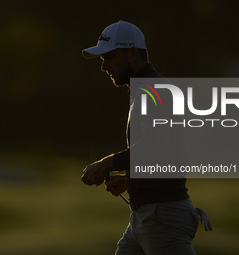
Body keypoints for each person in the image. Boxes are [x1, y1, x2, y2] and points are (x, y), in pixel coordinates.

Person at [81, 20, 212, 255]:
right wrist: (131, 179)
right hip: (147, 217)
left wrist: (107, 163)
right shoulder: (145, 89)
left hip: (163, 219)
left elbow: (154, 147)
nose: (104, 68)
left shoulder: (153, 90)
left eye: (109, 58)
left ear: (132, 53)